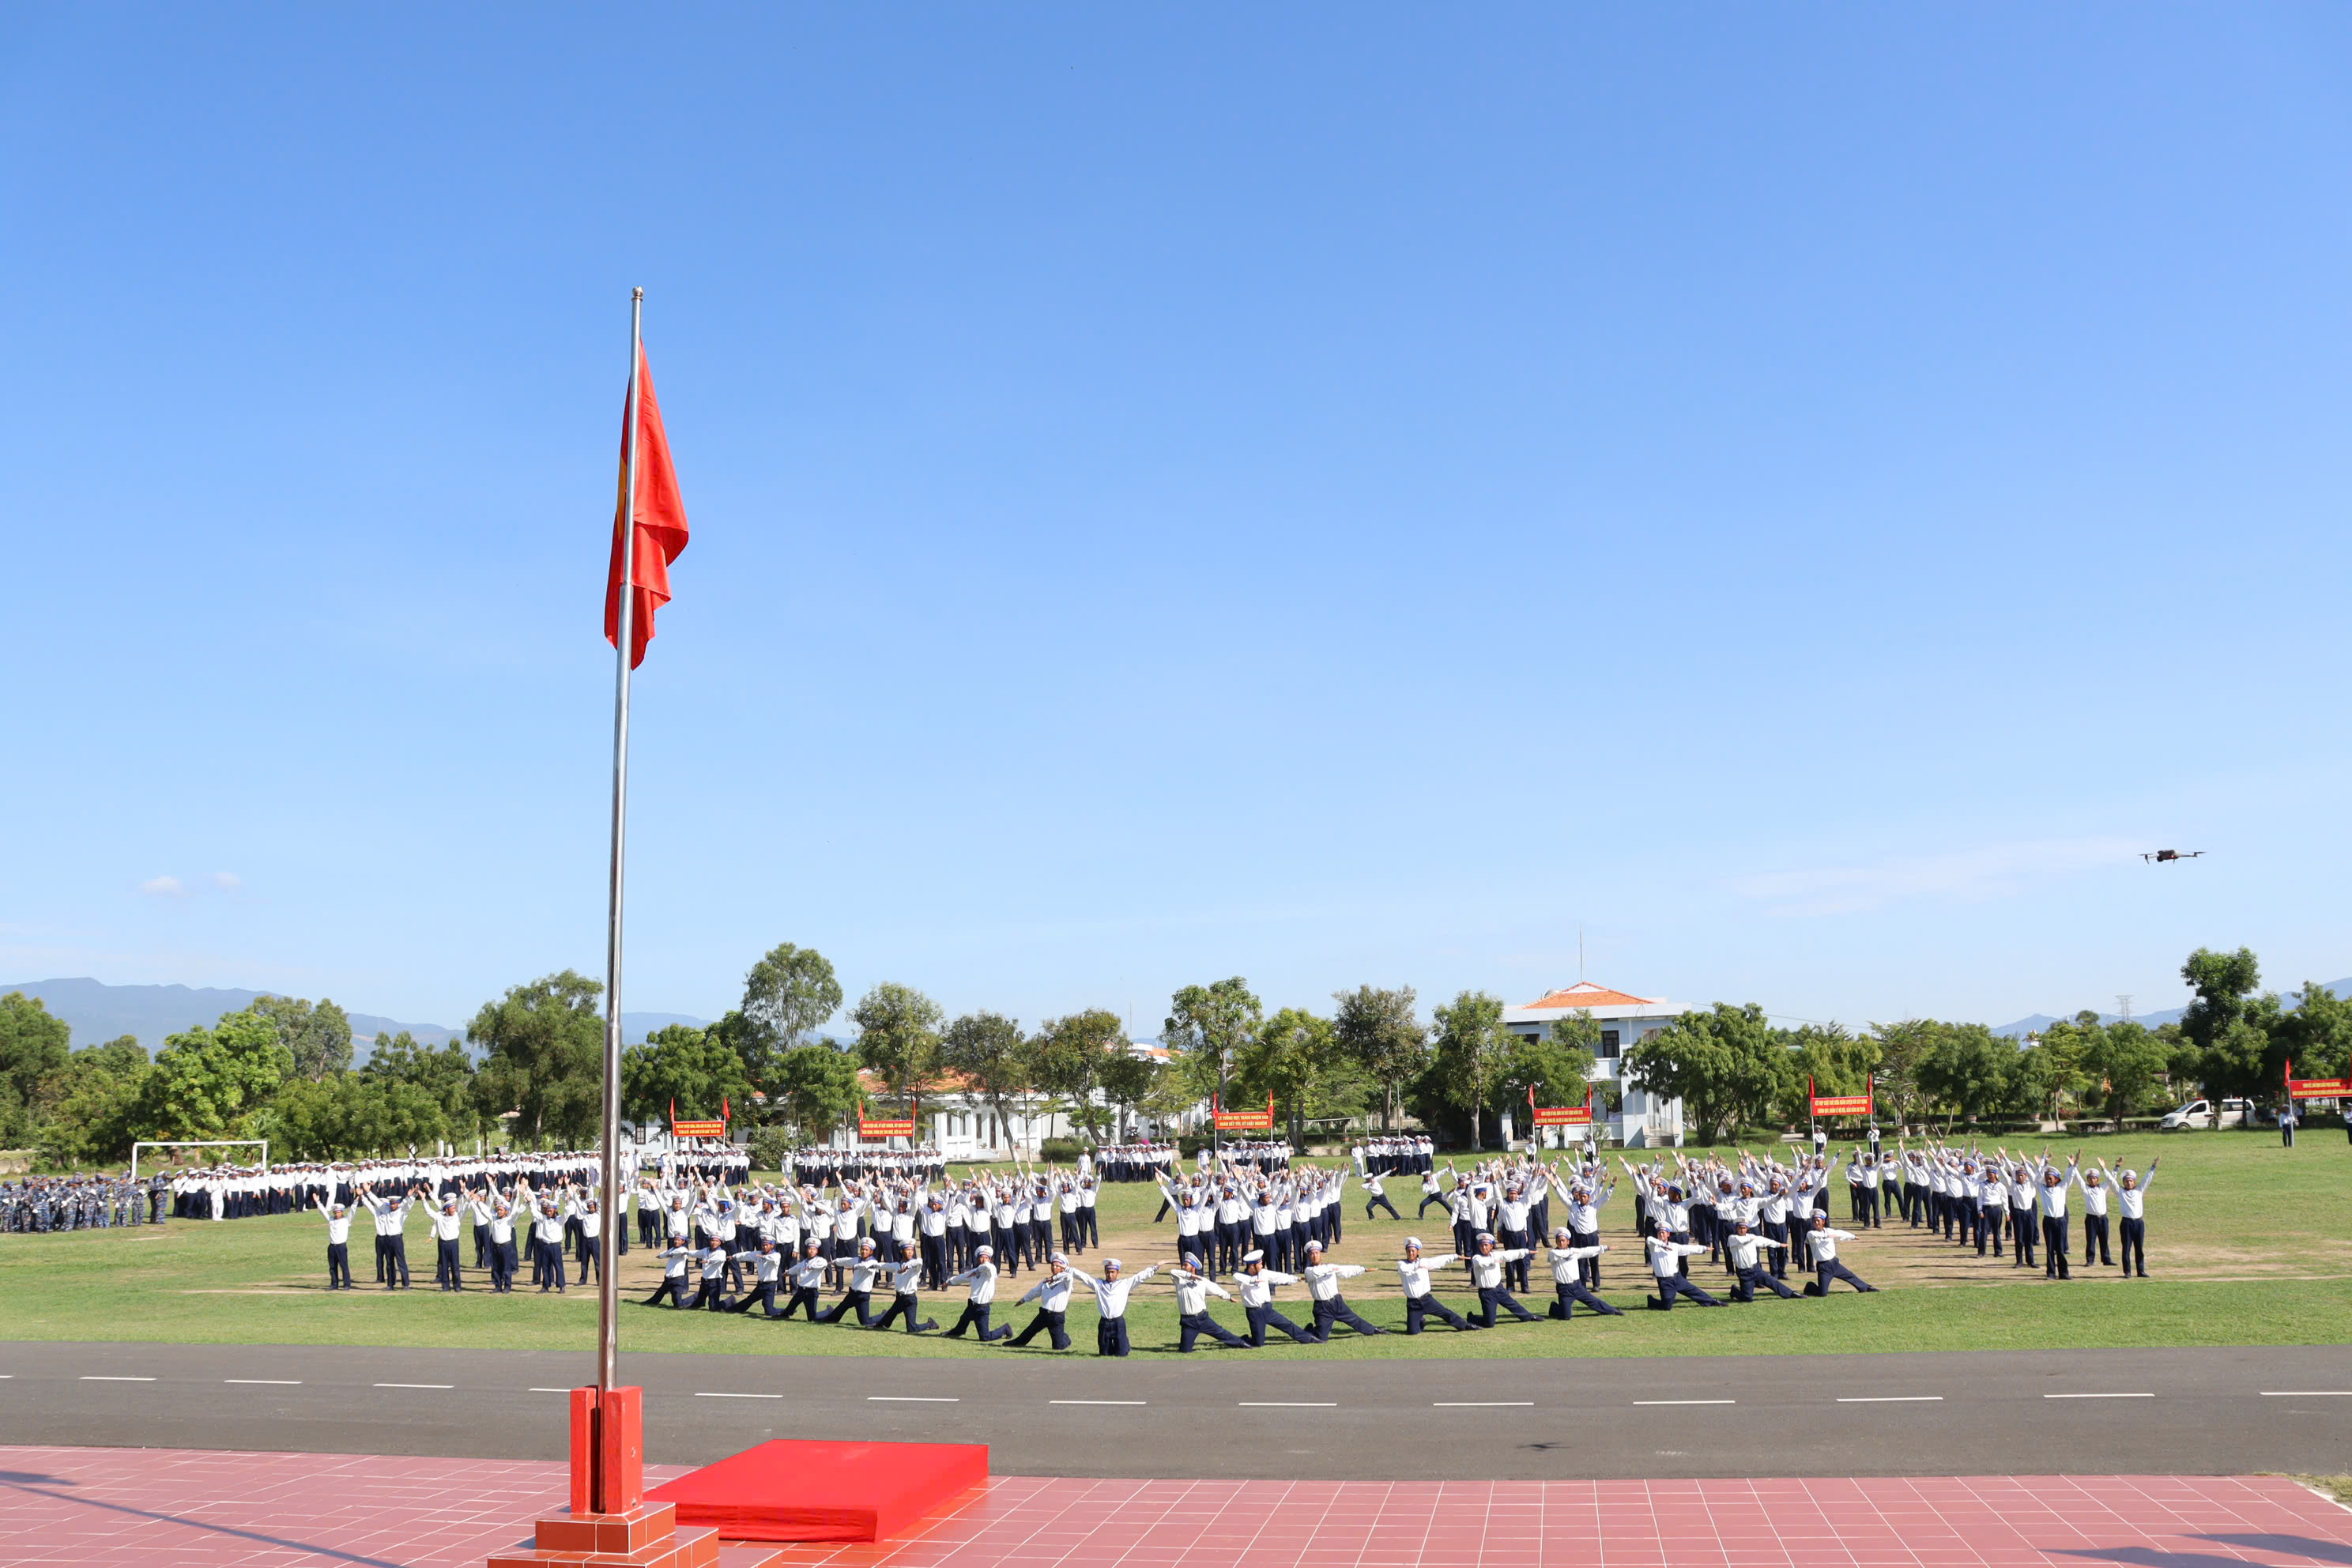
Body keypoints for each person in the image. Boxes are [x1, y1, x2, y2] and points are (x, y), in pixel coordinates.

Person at [1069, 1257, 1158, 1357]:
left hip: (1118, 1323)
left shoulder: (1124, 1284)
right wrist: (1067, 1269)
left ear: (1117, 1273)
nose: (1110, 1275)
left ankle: (1125, 1344)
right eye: (1108, 1272)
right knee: (1104, 1354)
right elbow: (1084, 1277)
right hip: (1104, 1323)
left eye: (1113, 1272)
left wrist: (1155, 1267)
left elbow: (1140, 1277)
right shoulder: (1098, 1284)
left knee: (1121, 1354)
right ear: (1105, 1272)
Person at [1298, 1241, 1384, 1340]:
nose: (1314, 1256)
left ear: (1321, 1254)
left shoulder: (1330, 1268)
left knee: (1354, 1319)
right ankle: (1309, 1330)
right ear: (1309, 1256)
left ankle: (1374, 1330)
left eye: (1317, 1253)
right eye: (1312, 1254)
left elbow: (1346, 1271)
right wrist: (1332, 1268)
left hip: (1336, 1302)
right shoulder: (1309, 1271)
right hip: (1322, 1307)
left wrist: (1363, 1269)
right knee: (1321, 1338)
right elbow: (1317, 1272)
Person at [1234, 1250, 1319, 1345]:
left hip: (1267, 1309)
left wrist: (1296, 1278)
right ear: (1252, 1266)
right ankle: (1240, 1340)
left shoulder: (1263, 1273)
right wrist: (1253, 1280)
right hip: (1255, 1313)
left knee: (1287, 1325)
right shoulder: (1240, 1277)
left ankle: (1309, 1338)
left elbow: (1279, 1277)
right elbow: (1238, 1277)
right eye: (1260, 1264)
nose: (1262, 1266)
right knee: (1258, 1342)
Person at [1168, 1253, 1251, 1351]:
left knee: (1220, 1333)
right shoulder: (1179, 1281)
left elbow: (1215, 1289)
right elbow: (1172, 1272)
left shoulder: (1202, 1281)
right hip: (1188, 1322)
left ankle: (1242, 1342)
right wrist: (1190, 1275)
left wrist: (1228, 1297)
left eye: (1186, 1265)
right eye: (1183, 1265)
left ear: (1193, 1267)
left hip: (1202, 1318)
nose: (1183, 1267)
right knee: (1185, 1350)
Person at [1463, 1232, 1542, 1326]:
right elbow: (1479, 1262)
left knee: (1513, 1305)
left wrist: (1526, 1251)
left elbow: (1509, 1254)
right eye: (1482, 1245)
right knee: (1489, 1323)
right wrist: (1492, 1261)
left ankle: (1529, 1317)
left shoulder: (1496, 1255)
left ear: (1491, 1246)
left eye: (1486, 1245)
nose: (1484, 1247)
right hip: (1486, 1293)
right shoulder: (1477, 1257)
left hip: (1499, 1289)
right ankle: (1471, 1318)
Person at [1543, 1227, 1620, 1317]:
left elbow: (1588, 1251)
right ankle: (1554, 1307)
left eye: (1563, 1240)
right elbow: (1562, 1254)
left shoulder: (1573, 1252)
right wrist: (1573, 1253)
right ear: (1556, 1242)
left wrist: (1605, 1248)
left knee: (1593, 1301)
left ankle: (1613, 1311)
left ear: (1568, 1242)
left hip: (1577, 1286)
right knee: (1566, 1316)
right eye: (1559, 1241)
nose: (1561, 1243)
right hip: (1564, 1289)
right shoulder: (1553, 1253)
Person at [940, 1246, 1013, 1341]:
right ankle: (957, 1332)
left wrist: (978, 1270)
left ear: (990, 1259)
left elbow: (987, 1267)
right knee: (963, 1320)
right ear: (978, 1258)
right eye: (982, 1257)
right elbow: (963, 1277)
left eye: (986, 1258)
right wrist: (948, 1282)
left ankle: (1005, 1329)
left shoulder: (990, 1271)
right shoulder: (974, 1271)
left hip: (982, 1308)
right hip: (972, 1305)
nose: (984, 1260)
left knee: (985, 1337)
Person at [2100, 1158, 2157, 1277]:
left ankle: (2140, 1271)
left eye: (2131, 1181)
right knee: (2126, 1248)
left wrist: (2153, 1167)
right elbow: (2111, 1181)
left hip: (2139, 1223)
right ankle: (2127, 1272)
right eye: (2126, 1181)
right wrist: (2104, 1169)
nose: (2129, 1183)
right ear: (2124, 1182)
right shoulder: (2120, 1191)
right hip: (2126, 1224)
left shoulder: (2139, 1190)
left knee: (2139, 1248)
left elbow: (2147, 1180)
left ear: (2134, 1182)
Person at [1644, 1221, 1721, 1310]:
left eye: (1663, 1233)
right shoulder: (1654, 1247)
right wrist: (1663, 1245)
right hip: (1665, 1281)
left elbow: (1689, 1248)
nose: (1661, 1235)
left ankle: (1713, 1302)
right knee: (1667, 1306)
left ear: (1668, 1234)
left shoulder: (1674, 1246)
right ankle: (1651, 1301)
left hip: (1677, 1278)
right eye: (1659, 1233)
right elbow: (1649, 1239)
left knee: (1694, 1291)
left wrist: (1705, 1248)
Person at [1008, 1253, 1077, 1349]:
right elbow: (1035, 1292)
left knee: (1058, 1347)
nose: (1054, 1268)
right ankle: (1018, 1342)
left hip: (1057, 1317)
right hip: (1044, 1314)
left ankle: (1065, 1338)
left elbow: (1068, 1277)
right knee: (1030, 1331)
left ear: (1063, 1268)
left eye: (1057, 1266)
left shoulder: (1066, 1282)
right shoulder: (1046, 1281)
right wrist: (1023, 1300)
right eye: (1052, 1265)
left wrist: (1055, 1277)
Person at [871, 1242, 940, 1334]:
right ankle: (882, 1321)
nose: (910, 1252)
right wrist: (874, 1265)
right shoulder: (897, 1265)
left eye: (912, 1250)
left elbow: (920, 1261)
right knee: (886, 1321)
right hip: (899, 1298)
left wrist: (907, 1267)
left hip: (910, 1300)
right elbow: (885, 1266)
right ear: (901, 1251)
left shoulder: (915, 1265)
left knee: (912, 1329)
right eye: (908, 1250)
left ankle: (930, 1324)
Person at [1800, 1212, 1876, 1295]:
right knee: (1823, 1293)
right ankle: (1810, 1286)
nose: (1816, 1223)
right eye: (1814, 1221)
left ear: (1823, 1221)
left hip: (1834, 1263)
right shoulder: (1810, 1234)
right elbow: (1814, 1236)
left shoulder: (1829, 1231)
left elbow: (1841, 1233)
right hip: (1824, 1267)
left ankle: (1866, 1287)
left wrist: (1853, 1237)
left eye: (1818, 1221)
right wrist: (1827, 1236)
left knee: (1850, 1276)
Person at [1721, 1220, 1796, 1302]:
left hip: (1755, 1269)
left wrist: (1779, 1244)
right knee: (1747, 1298)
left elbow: (1765, 1241)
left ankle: (1791, 1293)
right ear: (1736, 1229)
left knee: (1772, 1281)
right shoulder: (1732, 1238)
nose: (1742, 1230)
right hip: (1744, 1273)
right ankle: (1734, 1291)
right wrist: (1752, 1238)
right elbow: (1741, 1240)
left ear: (1747, 1229)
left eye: (1744, 1228)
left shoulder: (1752, 1237)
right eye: (1740, 1228)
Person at [819, 1238, 887, 1326]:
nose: (864, 1251)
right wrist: (833, 1262)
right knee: (834, 1317)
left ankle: (884, 1315)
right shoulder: (857, 1260)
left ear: (871, 1252)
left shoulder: (873, 1262)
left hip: (863, 1296)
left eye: (866, 1250)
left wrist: (855, 1267)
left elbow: (864, 1266)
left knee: (865, 1323)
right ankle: (829, 1312)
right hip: (852, 1294)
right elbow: (846, 1261)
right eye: (862, 1249)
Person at [312, 1193, 355, 1291]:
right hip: (332, 1246)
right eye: (335, 1213)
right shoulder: (331, 1219)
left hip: (341, 1246)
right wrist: (318, 1202)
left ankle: (347, 1284)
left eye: (338, 1212)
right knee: (332, 1267)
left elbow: (352, 1211)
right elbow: (324, 1212)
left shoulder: (346, 1220)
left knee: (344, 1266)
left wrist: (356, 1201)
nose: (337, 1214)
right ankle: (334, 1284)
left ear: (342, 1212)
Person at [779, 1240, 830, 1321]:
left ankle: (828, 1311)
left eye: (814, 1249)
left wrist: (811, 1267)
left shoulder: (820, 1260)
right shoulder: (804, 1262)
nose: (811, 1251)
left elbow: (824, 1264)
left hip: (811, 1291)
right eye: (810, 1249)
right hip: (802, 1290)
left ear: (817, 1251)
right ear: (807, 1250)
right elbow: (797, 1268)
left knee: (812, 1318)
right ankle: (785, 1315)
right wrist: (788, 1272)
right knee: (791, 1305)